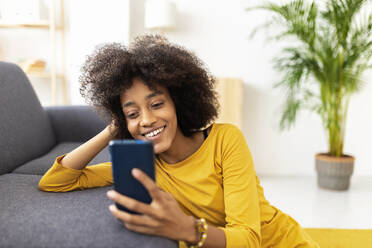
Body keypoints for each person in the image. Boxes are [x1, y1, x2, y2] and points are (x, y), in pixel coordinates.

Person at [38, 35, 319, 248]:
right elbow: (55, 181)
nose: (146, 119)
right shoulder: (144, 166)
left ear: (179, 102)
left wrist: (187, 229)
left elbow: (248, 238)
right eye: (133, 113)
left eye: (157, 103)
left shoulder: (225, 140)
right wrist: (115, 127)